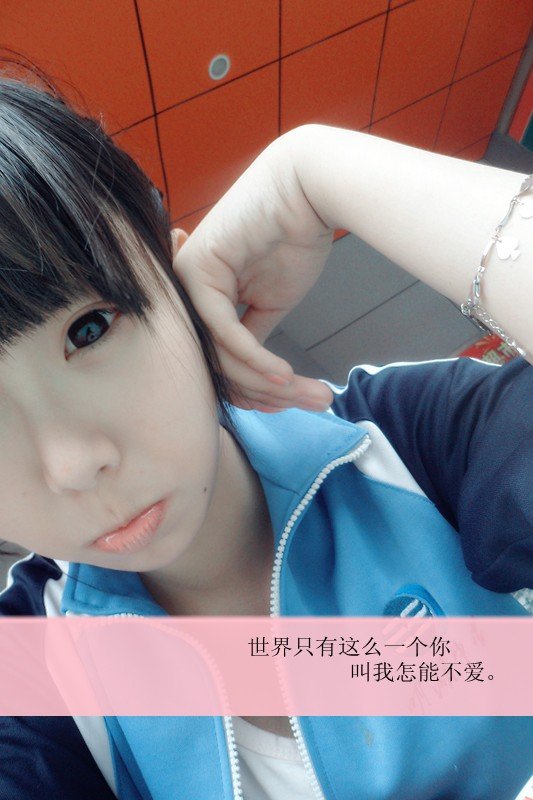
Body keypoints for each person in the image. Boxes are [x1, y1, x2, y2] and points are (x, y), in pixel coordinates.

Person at [0, 71, 531, 800]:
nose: (73, 464)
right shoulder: (30, 672)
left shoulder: (404, 441)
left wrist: (318, 172)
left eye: (87, 330)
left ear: (179, 289)